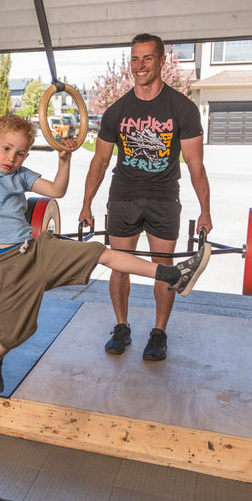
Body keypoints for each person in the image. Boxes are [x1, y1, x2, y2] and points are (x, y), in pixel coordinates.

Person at [0, 73, 211, 392]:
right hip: (4, 269)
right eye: (7, 149)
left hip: (37, 251)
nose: (12, 158)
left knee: (102, 254)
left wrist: (64, 161)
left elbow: (56, 190)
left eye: (20, 153)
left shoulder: (20, 176)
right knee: (17, 334)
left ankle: (173, 275)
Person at [79, 33, 212, 361]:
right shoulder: (117, 111)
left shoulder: (182, 108)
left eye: (147, 58)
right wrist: (86, 204)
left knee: (164, 266)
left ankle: (159, 332)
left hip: (164, 198)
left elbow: (196, 164)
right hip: (123, 196)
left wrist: (205, 211)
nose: (139, 65)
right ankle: (121, 327)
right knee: (118, 265)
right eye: (135, 59)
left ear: (161, 61)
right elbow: (99, 161)